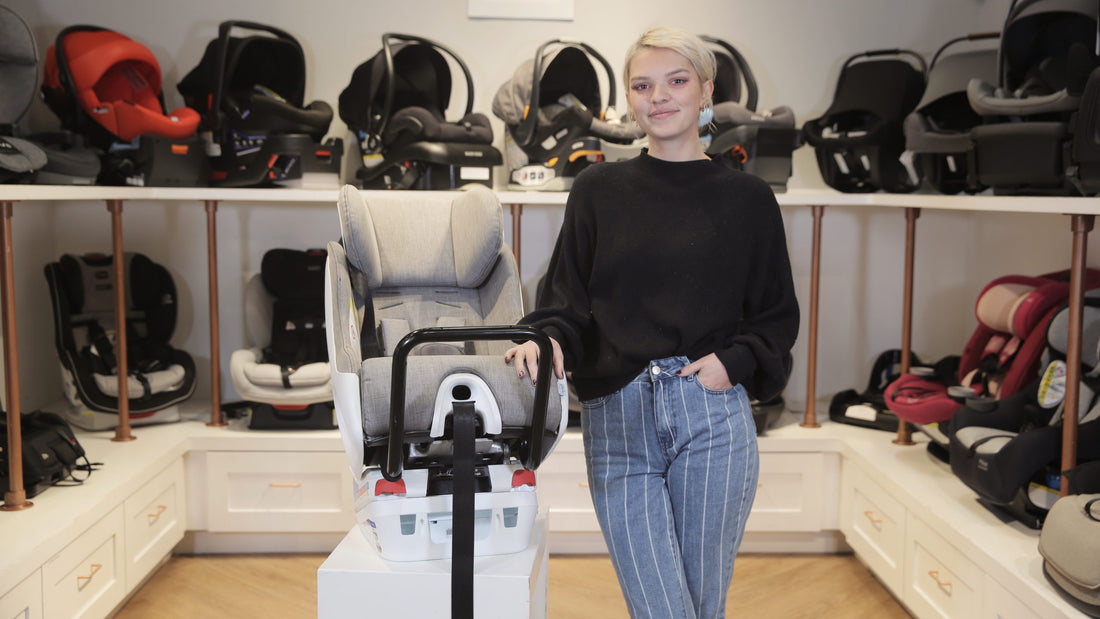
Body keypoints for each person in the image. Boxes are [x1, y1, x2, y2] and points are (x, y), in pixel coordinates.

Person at [505, 27, 799, 619]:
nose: (659, 97)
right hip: (619, 419)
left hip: (710, 416)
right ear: (629, 99)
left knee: (701, 606)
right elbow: (566, 299)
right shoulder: (598, 189)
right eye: (642, 86)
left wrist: (732, 364)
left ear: (706, 90)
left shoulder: (748, 199)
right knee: (662, 606)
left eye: (676, 81)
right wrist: (547, 339)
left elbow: (774, 315)